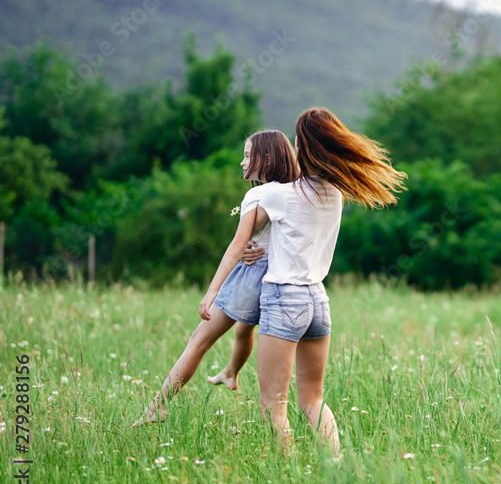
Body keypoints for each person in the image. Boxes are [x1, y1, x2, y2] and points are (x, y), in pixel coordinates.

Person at [248, 107, 406, 453]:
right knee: (312, 399)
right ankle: (335, 465)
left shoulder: (277, 194)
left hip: (283, 298)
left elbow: (247, 237)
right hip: (318, 302)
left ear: (302, 145)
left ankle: (286, 472)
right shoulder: (334, 193)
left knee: (273, 404)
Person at [132, 130, 299, 427]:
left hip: (253, 275)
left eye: (248, 155)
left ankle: (158, 405)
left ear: (268, 158)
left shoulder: (257, 195)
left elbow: (237, 245)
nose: (241, 162)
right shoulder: (296, 191)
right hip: (282, 278)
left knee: (199, 340)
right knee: (244, 329)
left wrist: (212, 292)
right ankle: (232, 373)